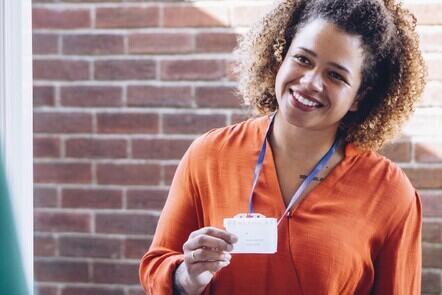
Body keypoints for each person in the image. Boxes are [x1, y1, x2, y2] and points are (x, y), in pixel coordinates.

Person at [139, 0, 426, 294]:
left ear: (358, 97)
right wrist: (187, 276)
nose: (310, 82)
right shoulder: (210, 155)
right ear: (281, 56)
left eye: (335, 75)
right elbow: (156, 267)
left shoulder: (389, 193)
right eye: (303, 59)